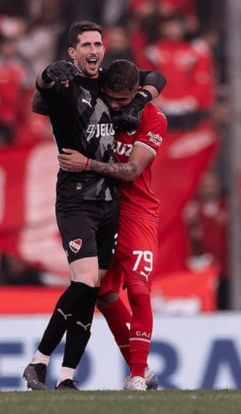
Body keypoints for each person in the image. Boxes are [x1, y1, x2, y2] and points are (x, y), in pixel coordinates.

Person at [22, 21, 164, 391]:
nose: (93, 49)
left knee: (96, 289)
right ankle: (39, 361)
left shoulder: (107, 83)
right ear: (72, 52)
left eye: (98, 43)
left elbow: (154, 77)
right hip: (76, 197)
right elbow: (42, 98)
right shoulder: (69, 86)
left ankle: (67, 376)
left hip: (108, 203)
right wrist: (43, 77)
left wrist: (141, 99)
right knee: (86, 281)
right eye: (85, 44)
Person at [57, 59, 168, 391]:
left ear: (136, 94)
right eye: (112, 98)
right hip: (101, 209)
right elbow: (154, 77)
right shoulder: (96, 104)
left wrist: (87, 164)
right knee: (104, 295)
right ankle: (143, 371)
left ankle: (135, 376)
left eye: (124, 100)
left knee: (138, 289)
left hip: (137, 212)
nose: (117, 106)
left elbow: (133, 171)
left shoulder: (152, 117)